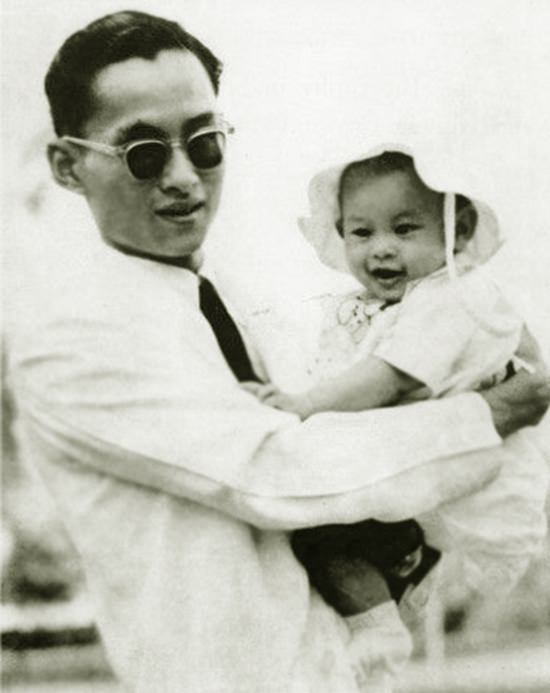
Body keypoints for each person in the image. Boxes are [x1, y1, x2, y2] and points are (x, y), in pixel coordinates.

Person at [5, 11, 549, 693]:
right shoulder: (71, 339)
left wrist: (476, 345)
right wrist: (492, 412)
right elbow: (275, 468)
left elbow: (349, 417)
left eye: (204, 143)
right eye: (144, 153)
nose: (182, 176)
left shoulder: (230, 296)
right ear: (68, 165)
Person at [247, 149, 548, 628]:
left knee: (324, 521)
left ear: (459, 231)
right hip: (429, 474)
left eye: (404, 229)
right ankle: (389, 597)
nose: (381, 248)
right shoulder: (383, 305)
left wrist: (304, 405)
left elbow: (391, 376)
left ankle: (380, 619)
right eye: (362, 232)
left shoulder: (453, 295)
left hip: (480, 489)